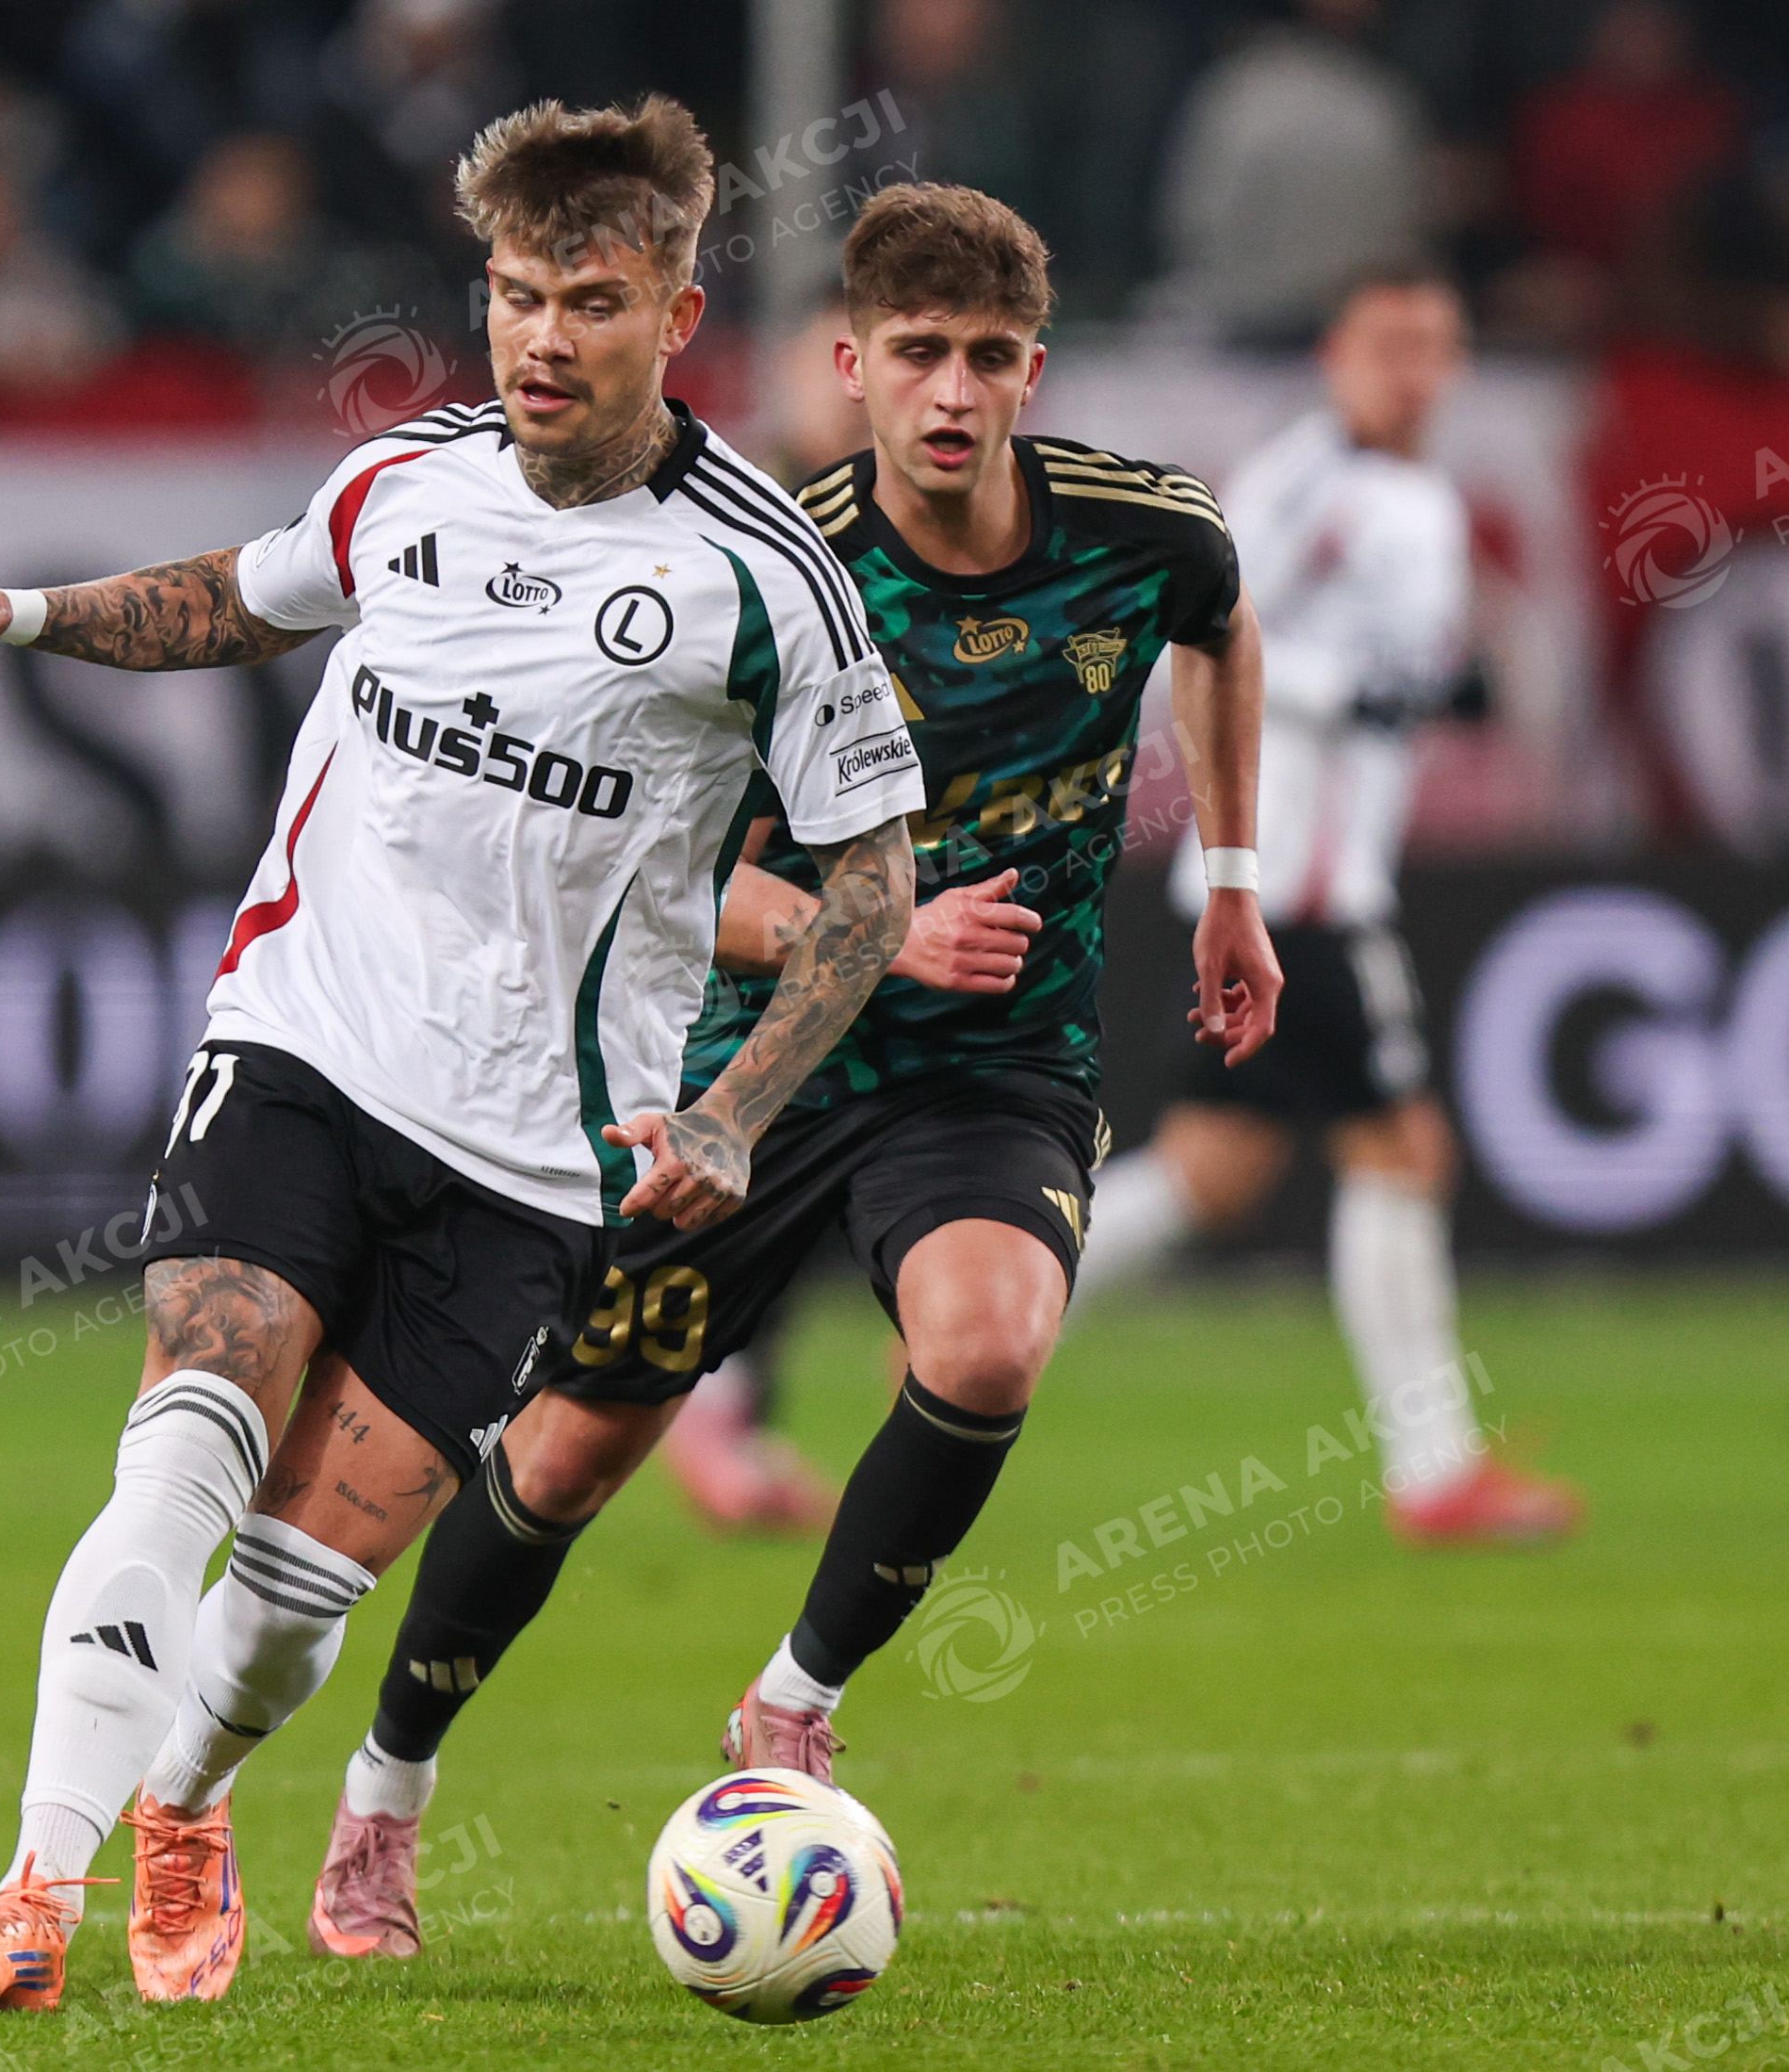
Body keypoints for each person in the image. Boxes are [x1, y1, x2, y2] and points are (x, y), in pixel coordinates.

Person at [0, 95, 925, 2012]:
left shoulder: (767, 578)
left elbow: (871, 877)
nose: (540, 338)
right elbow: (232, 603)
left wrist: (739, 1113)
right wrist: (7, 614)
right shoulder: (409, 479)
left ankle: (188, 1796)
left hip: (533, 1159)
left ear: (676, 316)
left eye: (590, 301)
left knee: (292, 1599)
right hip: (302, 1048)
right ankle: (31, 1895)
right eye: (514, 295)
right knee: (190, 1431)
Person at [297, 182, 1281, 1959]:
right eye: (918, 353)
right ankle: (385, 1793)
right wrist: (875, 932)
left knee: (988, 1346)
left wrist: (1229, 881)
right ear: (852, 364)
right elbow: (677, 876)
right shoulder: (763, 575)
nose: (953, 393)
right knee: (569, 1458)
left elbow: (1219, 629)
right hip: (752, 1073)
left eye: (989, 357)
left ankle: (794, 1701)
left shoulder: (1150, 534)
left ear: (1034, 372)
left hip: (996, 1071)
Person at [1072, 265, 1585, 1549]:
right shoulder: (1303, 485)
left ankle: (981, 1314)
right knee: (1401, 1150)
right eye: (1384, 345)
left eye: (1431, 346)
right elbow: (1199, 626)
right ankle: (1435, 1473)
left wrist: (1424, 690)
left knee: (1217, 1173)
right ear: (1336, 356)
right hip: (1293, 884)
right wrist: (1357, 696)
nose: (1408, 372)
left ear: (1456, 366)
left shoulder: (1418, 500)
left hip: (1303, 873)